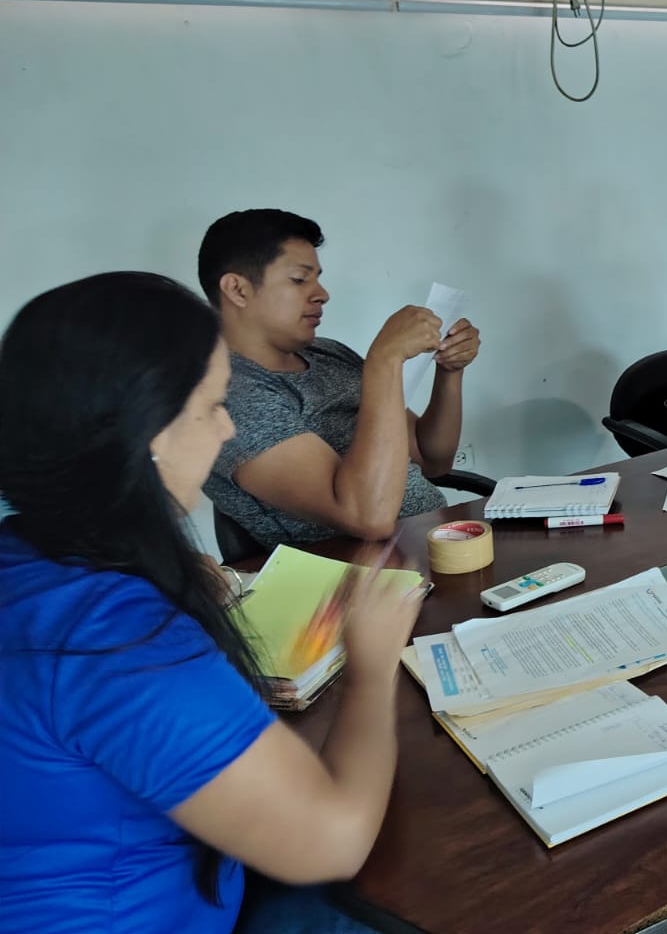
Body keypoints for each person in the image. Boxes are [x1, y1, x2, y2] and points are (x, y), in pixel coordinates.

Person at [0, 272, 424, 934]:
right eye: (211, 406)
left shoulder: (25, 556)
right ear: (150, 433)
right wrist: (371, 668)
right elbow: (333, 842)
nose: (227, 428)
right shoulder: (115, 640)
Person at [198, 210, 480, 549]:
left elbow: (431, 459)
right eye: (299, 280)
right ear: (238, 290)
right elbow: (368, 517)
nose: (322, 294)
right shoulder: (228, 395)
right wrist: (385, 359)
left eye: (317, 279)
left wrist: (449, 372)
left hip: (434, 543)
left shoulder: (328, 354)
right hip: (359, 573)